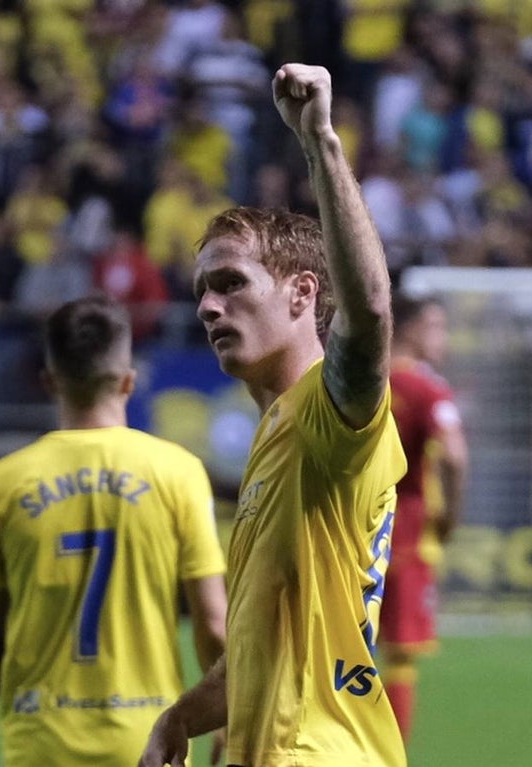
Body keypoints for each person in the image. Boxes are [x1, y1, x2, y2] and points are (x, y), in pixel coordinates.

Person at [140, 63, 409, 767]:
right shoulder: (276, 435)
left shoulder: (328, 411)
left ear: (301, 294)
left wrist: (320, 140)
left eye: (231, 283)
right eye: (202, 290)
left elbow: (372, 312)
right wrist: (180, 717)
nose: (207, 306)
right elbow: (253, 664)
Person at [0, 295, 228, 767]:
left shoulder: (0, 484)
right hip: (150, 741)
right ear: (129, 381)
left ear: (49, 382)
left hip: (40, 743)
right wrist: (227, 716)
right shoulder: (178, 472)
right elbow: (212, 624)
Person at [379, 293, 469, 743]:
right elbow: (454, 456)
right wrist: (450, 517)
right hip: (407, 538)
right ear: (410, 328)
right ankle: (388, 755)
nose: (443, 339)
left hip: (350, 532)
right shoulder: (427, 389)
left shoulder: (362, 381)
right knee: (399, 656)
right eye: (436, 327)